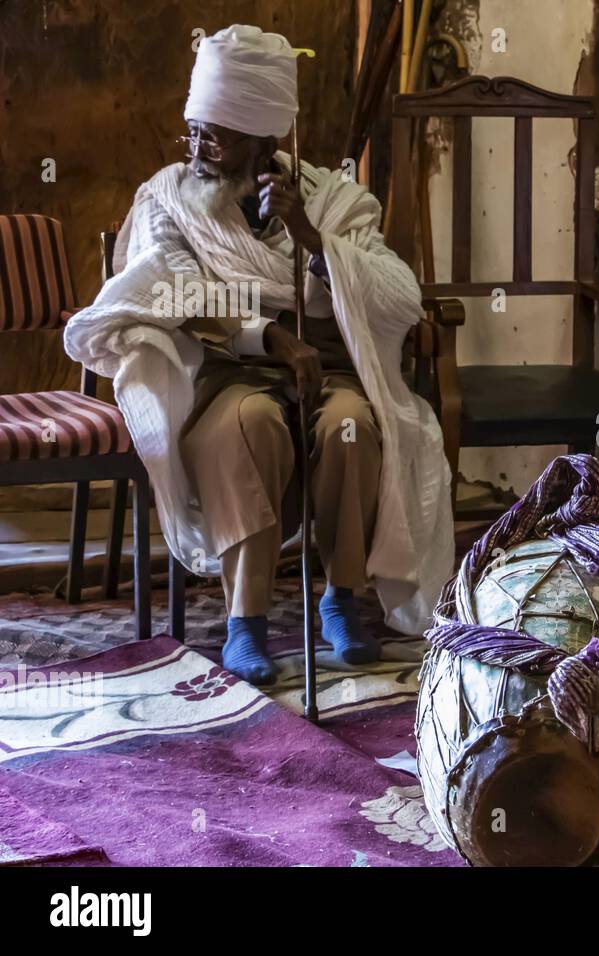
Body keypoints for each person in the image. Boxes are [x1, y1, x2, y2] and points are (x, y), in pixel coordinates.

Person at [65, 25, 455, 684]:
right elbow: (173, 290)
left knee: (350, 426)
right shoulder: (168, 198)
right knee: (252, 426)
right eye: (193, 130)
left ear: (265, 139)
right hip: (224, 377)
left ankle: (342, 598)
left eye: (214, 135)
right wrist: (269, 335)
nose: (196, 149)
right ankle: (244, 620)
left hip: (331, 373)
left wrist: (314, 241)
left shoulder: (337, 201)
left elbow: (399, 297)